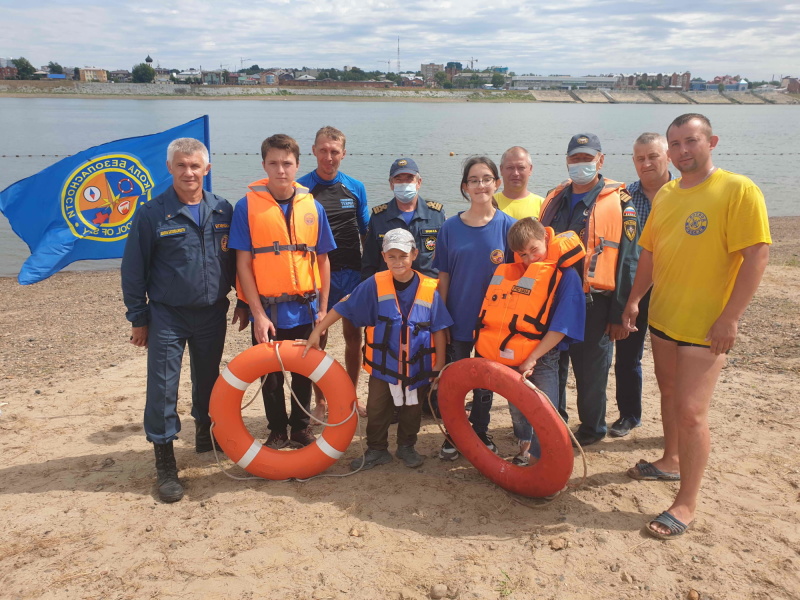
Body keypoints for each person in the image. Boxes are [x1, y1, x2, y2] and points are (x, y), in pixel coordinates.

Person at [622, 113, 770, 539]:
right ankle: (670, 461)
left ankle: (686, 503)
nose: (683, 150)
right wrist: (634, 300)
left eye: (691, 141)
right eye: (677, 144)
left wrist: (731, 317)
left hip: (707, 326)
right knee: (668, 393)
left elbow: (756, 254)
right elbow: (649, 253)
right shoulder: (667, 194)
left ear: (711, 141)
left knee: (691, 412)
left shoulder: (737, 189)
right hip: (665, 316)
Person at [121, 137, 243, 503]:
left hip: (212, 313)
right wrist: (138, 317)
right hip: (167, 316)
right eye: (181, 166)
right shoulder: (152, 213)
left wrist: (244, 301)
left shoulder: (224, 209)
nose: (189, 173)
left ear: (206, 169)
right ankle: (165, 461)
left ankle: (205, 433)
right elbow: (133, 270)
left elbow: (238, 261)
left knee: (209, 380)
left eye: (195, 166)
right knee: (162, 388)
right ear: (171, 169)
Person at [305, 229, 451, 470]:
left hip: (417, 367)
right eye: (392, 256)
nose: (398, 262)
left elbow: (439, 328)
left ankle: (406, 447)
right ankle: (376, 449)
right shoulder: (373, 284)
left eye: (403, 256)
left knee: (411, 410)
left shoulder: (429, 288)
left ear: (414, 254)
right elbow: (343, 307)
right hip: (384, 367)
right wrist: (315, 332)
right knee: (376, 408)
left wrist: (439, 365)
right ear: (383, 257)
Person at [229, 133, 336, 450]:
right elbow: (243, 265)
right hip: (269, 311)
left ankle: (301, 427)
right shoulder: (245, 207)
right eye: (273, 163)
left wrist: (323, 309)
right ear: (264, 165)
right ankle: (276, 429)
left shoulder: (312, 207)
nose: (280, 170)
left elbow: (324, 259)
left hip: (306, 308)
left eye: (287, 163)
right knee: (271, 377)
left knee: (304, 372)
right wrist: (257, 313)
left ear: (297, 165)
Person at [539, 133, 640, 446]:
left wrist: (620, 312)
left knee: (591, 373)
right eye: (575, 158)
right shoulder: (554, 197)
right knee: (553, 366)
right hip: (553, 299)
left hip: (593, 303)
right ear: (567, 160)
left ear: (600, 160)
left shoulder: (621, 202)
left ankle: (591, 430)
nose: (580, 163)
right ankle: (557, 423)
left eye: (587, 158)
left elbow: (628, 260)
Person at [475, 218, 586, 465]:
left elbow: (562, 326)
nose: (529, 260)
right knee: (517, 406)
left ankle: (541, 456)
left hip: (543, 357)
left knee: (545, 409)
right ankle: (524, 446)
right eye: (522, 255)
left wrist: (533, 357)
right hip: (512, 355)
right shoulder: (515, 273)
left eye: (534, 250)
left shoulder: (566, 277)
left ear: (546, 238)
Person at [434, 156, 516, 460]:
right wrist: (439, 316)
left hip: (492, 324)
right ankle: (454, 433)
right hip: (456, 319)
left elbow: (517, 279)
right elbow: (443, 276)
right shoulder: (450, 227)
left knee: (485, 381)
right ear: (464, 187)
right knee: (454, 379)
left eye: (486, 178)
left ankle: (480, 430)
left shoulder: (508, 227)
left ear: (496, 183)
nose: (480, 185)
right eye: (473, 180)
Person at [297, 126, 369, 418]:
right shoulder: (300, 189)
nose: (329, 157)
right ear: (313, 151)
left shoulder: (355, 187)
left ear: (343, 154)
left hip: (352, 273)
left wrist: (369, 273)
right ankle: (321, 400)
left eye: (334, 151)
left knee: (355, 338)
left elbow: (366, 232)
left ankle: (351, 396)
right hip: (315, 276)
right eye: (323, 150)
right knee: (318, 337)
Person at [609, 133, 673, 438]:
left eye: (653, 157)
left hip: (672, 289)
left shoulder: (684, 193)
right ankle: (629, 415)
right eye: (640, 158)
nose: (646, 163)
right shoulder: (623, 198)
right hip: (633, 290)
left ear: (668, 156)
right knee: (627, 356)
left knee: (675, 363)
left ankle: (678, 425)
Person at [362, 158, 445, 279]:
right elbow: (369, 262)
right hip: (390, 287)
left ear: (419, 182)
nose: (404, 184)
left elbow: (446, 259)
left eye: (409, 179)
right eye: (398, 180)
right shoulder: (379, 217)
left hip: (427, 287)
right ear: (391, 184)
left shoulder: (436, 215)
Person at [494, 146, 544, 220]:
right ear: (501, 170)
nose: (515, 173)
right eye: (510, 168)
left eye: (521, 168)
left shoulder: (543, 205)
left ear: (530, 169)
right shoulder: (489, 203)